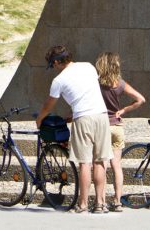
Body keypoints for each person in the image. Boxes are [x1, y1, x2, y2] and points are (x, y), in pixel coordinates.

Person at [36, 45, 113, 214]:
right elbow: (87, 91)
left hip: (82, 118)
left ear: (56, 62)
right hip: (101, 116)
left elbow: (49, 105)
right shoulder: (88, 67)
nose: (54, 68)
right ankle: (100, 203)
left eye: (53, 65)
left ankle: (83, 204)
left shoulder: (59, 80)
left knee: (84, 163)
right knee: (100, 162)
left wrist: (40, 118)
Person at [95, 52, 146, 212]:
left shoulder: (96, 83)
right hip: (117, 127)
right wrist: (123, 110)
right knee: (116, 165)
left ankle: (100, 202)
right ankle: (117, 201)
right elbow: (140, 99)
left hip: (102, 126)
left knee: (101, 164)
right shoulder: (120, 84)